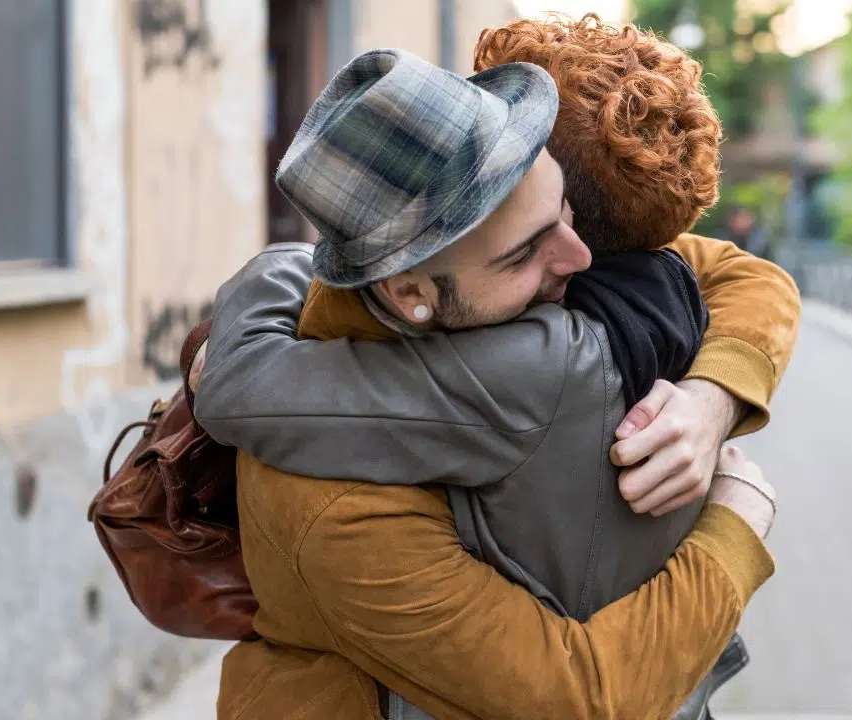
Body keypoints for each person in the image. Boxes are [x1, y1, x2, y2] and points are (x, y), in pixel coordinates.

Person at [197, 27, 797, 720]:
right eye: (526, 255)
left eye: (563, 211)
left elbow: (738, 273)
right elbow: (580, 700)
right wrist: (734, 525)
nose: (581, 260)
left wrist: (709, 399)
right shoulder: (338, 505)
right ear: (408, 295)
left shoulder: (501, 252)